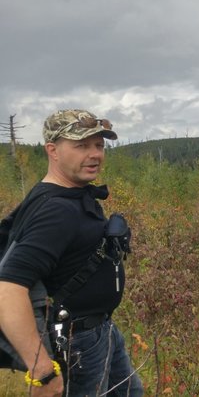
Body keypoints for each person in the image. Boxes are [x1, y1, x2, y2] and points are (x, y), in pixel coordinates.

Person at [0, 109, 143, 396]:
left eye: (99, 145)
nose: (94, 154)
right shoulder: (56, 210)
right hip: (77, 343)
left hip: (100, 331)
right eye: (81, 146)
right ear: (52, 150)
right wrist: (41, 371)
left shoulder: (70, 193)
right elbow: (8, 289)